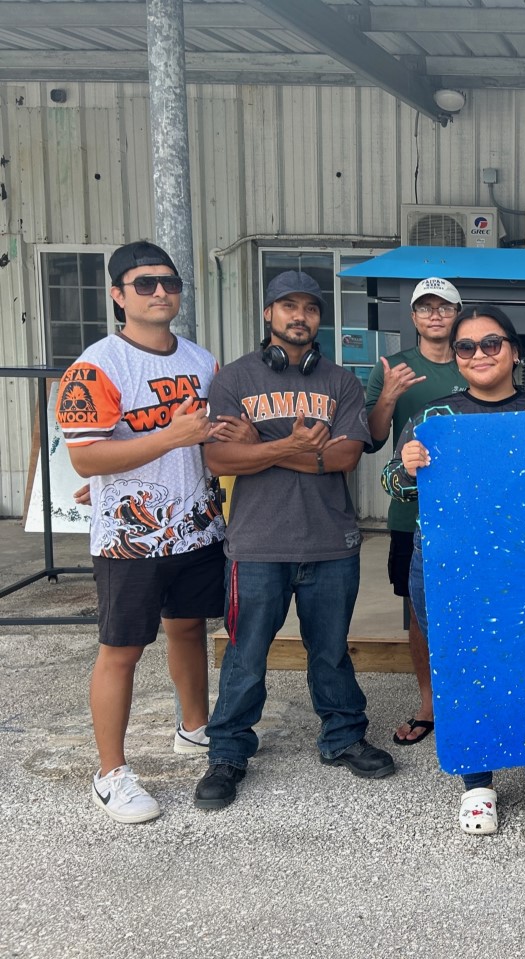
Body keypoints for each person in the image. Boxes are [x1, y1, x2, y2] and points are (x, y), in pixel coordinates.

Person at [193, 270, 394, 811]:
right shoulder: (234, 379)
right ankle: (228, 752)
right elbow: (219, 459)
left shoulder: (342, 383)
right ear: (269, 314)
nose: (299, 316)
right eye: (288, 306)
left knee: (331, 651)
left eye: (309, 307)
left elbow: (346, 456)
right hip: (257, 543)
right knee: (246, 654)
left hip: (331, 542)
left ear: (319, 318)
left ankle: (344, 736)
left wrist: (261, 444)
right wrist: (293, 447)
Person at [381, 305, 525, 841]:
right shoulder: (435, 416)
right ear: (456, 356)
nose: (478, 354)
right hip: (447, 562)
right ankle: (477, 785)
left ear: (514, 350)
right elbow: (394, 486)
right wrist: (407, 465)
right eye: (466, 346)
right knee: (462, 667)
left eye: (491, 343)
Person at [58, 240, 227, 824]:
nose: (160, 292)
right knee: (122, 650)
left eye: (170, 283)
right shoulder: (97, 366)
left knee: (189, 629)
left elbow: (208, 440)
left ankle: (195, 728)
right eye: (145, 283)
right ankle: (111, 774)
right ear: (117, 295)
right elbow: (86, 458)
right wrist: (168, 439)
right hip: (130, 539)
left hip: (196, 527)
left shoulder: (202, 362)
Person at [365, 277, 467, 747]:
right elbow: (371, 439)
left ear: (457, 313)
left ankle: (472, 697)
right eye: (425, 307)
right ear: (413, 317)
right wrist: (389, 394)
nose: (435, 315)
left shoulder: (474, 360)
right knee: (418, 612)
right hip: (414, 516)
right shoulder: (392, 367)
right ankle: (429, 704)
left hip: (472, 516)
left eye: (444, 307)